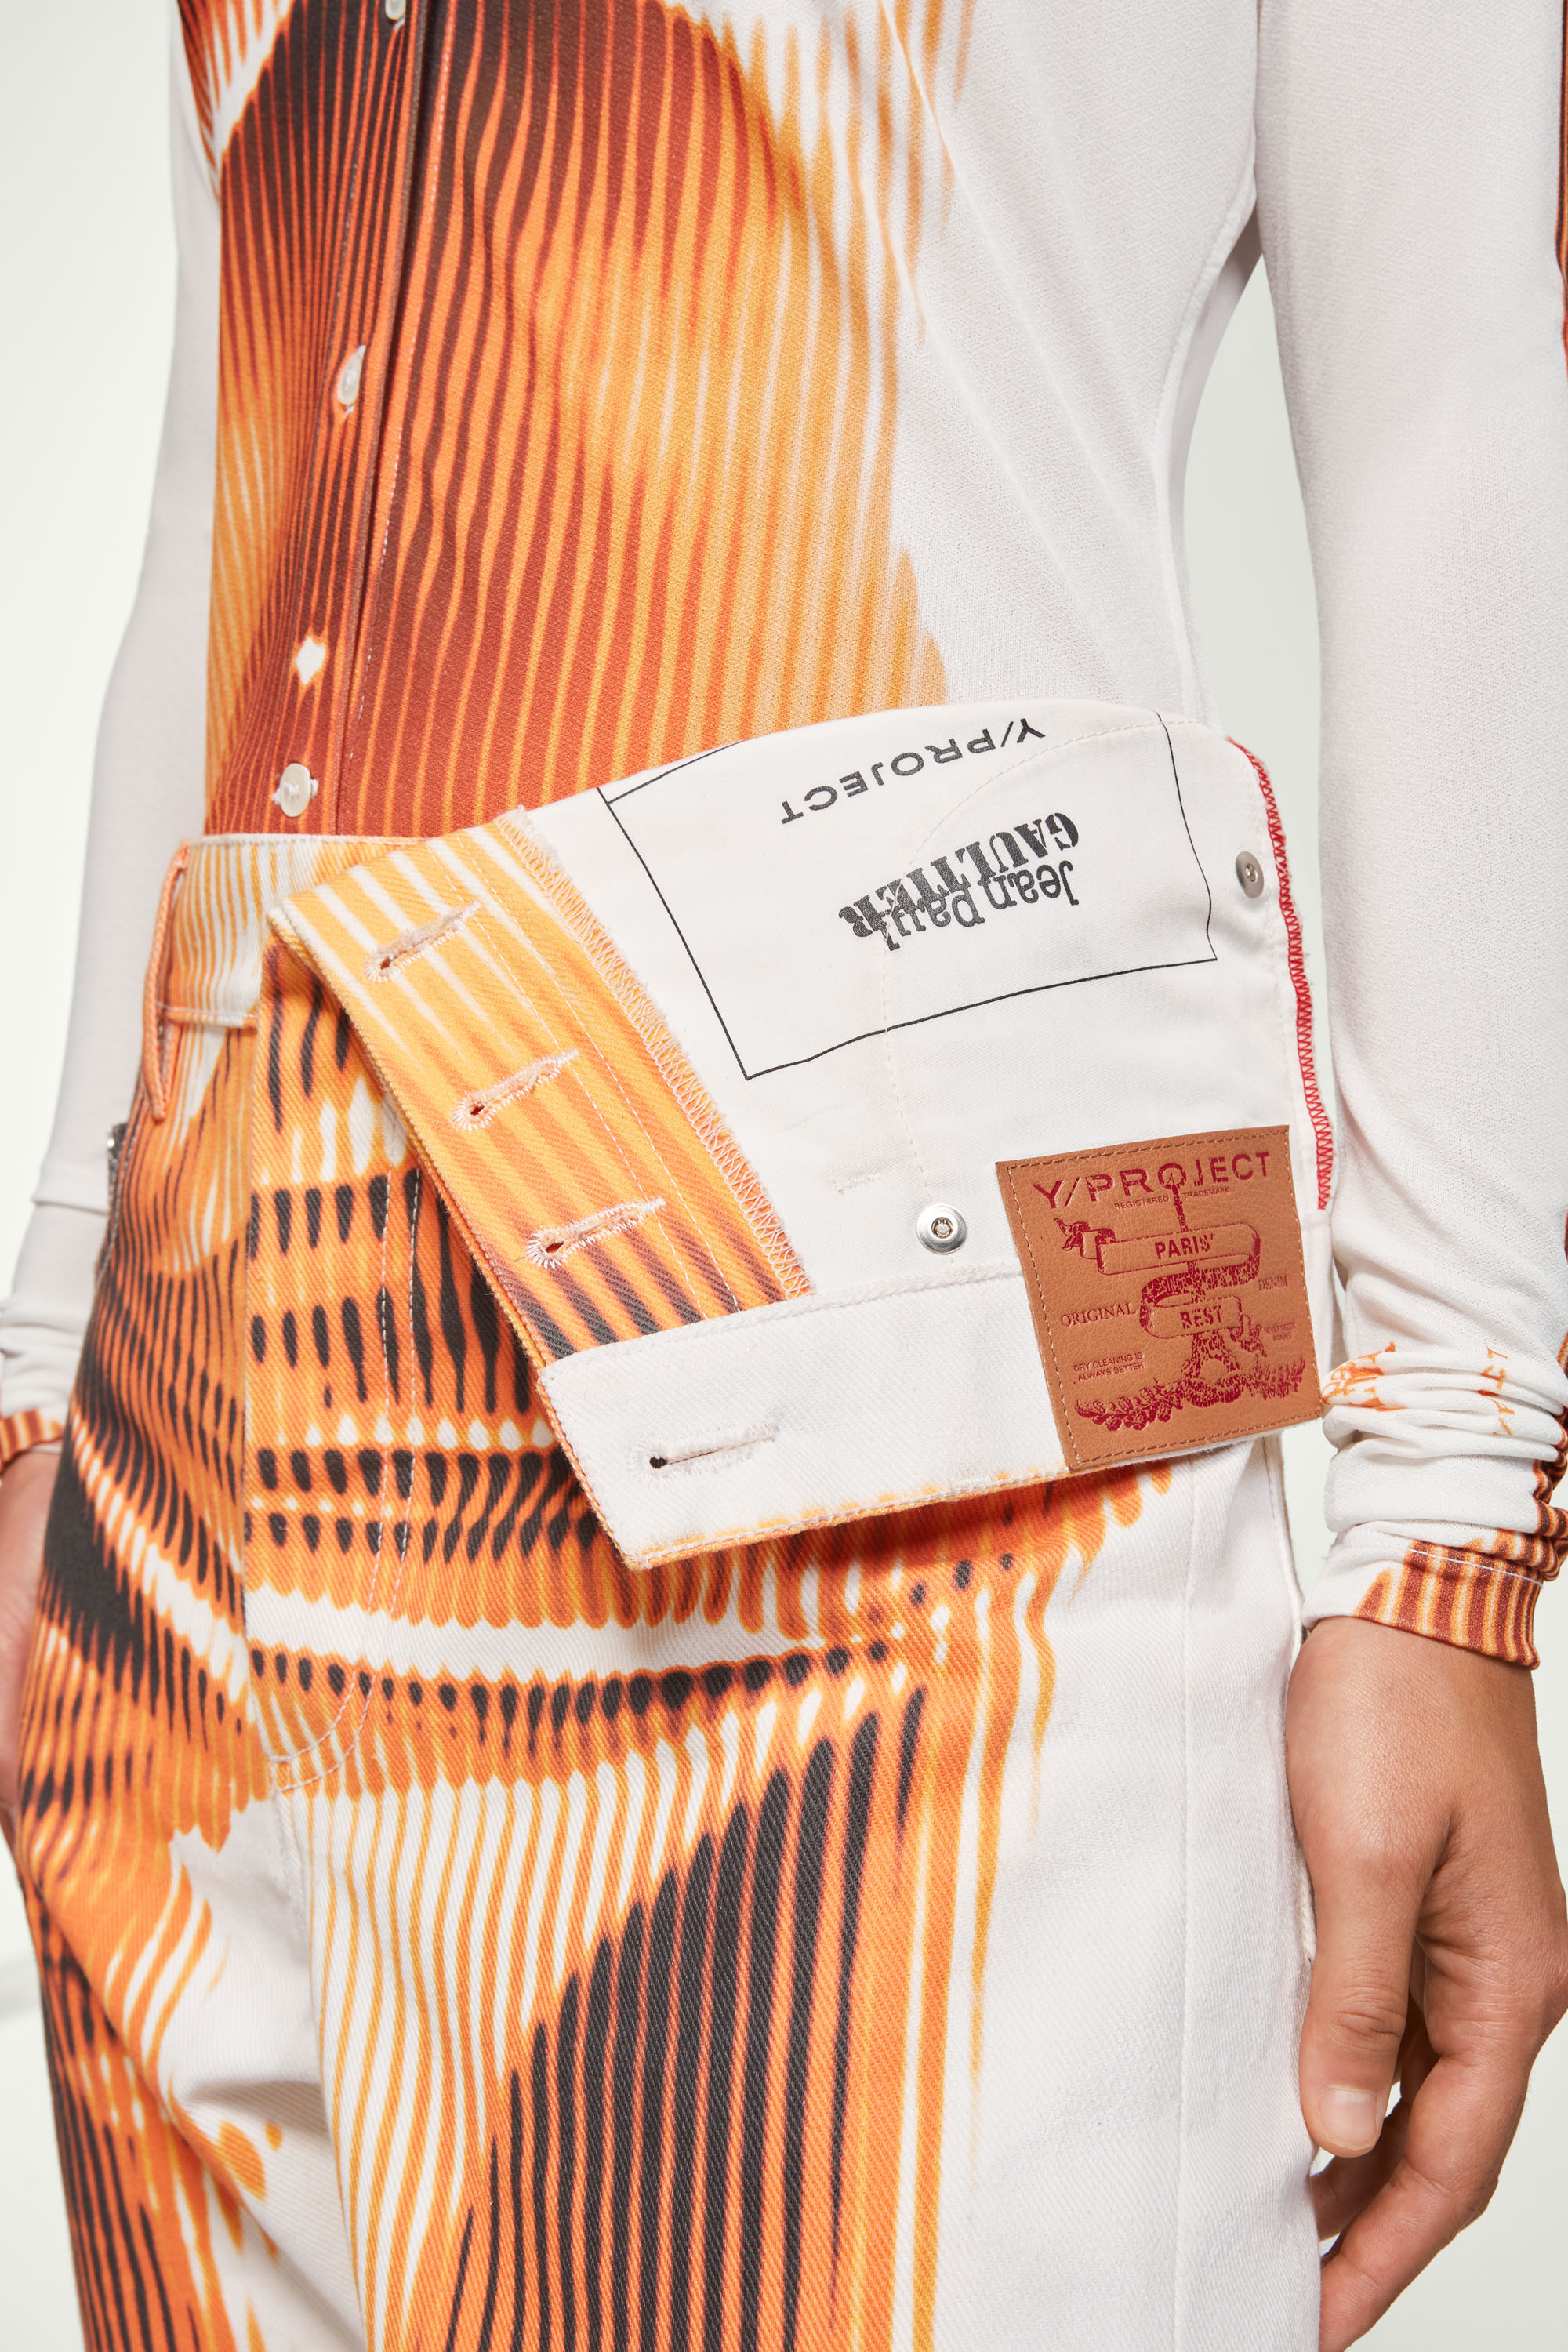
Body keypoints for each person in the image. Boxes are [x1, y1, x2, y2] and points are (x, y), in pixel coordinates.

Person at [2, 4, 1566, 2347]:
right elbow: (226, 466)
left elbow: (1466, 398)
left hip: (879, 1403)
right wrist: (50, 1370)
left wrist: (1450, 1514)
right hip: (205, 1386)